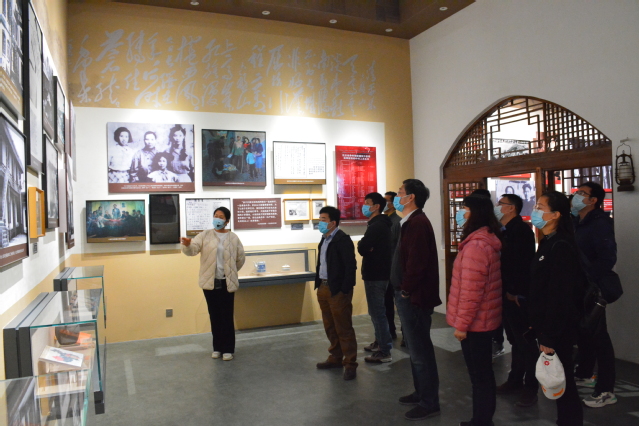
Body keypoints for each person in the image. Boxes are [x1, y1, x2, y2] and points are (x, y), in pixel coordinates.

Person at [528, 191, 585, 425]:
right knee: (561, 379)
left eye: (540, 207)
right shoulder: (548, 242)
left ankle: (570, 421)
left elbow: (559, 295)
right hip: (548, 324)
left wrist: (549, 334)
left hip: (558, 327)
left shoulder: (561, 245)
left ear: (555, 215)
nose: (535, 211)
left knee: (563, 379)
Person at [447, 195, 502, 426]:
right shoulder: (482, 239)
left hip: (476, 324)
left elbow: (471, 292)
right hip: (482, 320)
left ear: (475, 213)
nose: (461, 213)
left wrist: (462, 325)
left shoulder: (476, 246)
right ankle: (482, 419)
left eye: (465, 208)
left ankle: (482, 421)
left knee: (480, 377)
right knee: (482, 375)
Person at [390, 179, 441, 421]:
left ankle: (429, 402)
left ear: (411, 197)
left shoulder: (418, 223)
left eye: (400, 192)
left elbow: (417, 263)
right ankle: (421, 392)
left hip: (414, 298)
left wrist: (406, 290)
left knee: (421, 351)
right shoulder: (409, 222)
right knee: (415, 349)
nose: (397, 196)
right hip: (408, 295)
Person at [571, 181, 618, 408]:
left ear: (593, 200)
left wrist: (589, 281)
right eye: (577, 192)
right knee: (583, 332)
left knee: (599, 337)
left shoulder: (600, 223)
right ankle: (584, 372)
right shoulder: (575, 221)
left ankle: (606, 390)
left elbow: (607, 258)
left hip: (592, 289)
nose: (576, 196)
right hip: (577, 287)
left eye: (582, 193)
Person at [181, 207, 245, 361]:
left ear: (227, 221)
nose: (217, 219)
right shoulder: (205, 235)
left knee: (226, 316)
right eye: (216, 216)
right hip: (210, 283)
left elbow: (240, 258)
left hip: (227, 282)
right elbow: (193, 250)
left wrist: (230, 272)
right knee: (214, 316)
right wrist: (188, 245)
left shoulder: (233, 238)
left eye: (221, 217)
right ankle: (217, 348)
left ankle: (228, 349)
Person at [493, 193, 538, 407]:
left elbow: (521, 265)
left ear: (511, 208)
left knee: (525, 342)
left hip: (517, 295)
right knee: (515, 341)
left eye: (500, 204)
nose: (497, 207)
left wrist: (515, 292)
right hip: (505, 293)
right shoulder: (504, 230)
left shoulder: (521, 231)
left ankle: (531, 387)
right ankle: (515, 380)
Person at [314, 206, 358, 381]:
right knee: (330, 325)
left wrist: (344, 289)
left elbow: (350, 266)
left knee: (343, 327)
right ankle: (335, 357)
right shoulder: (324, 239)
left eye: (323, 219)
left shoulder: (342, 239)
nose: (320, 222)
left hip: (337, 290)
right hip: (323, 287)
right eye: (320, 219)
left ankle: (350, 363)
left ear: (333, 222)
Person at [357, 192, 393, 363]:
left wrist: (364, 246)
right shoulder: (378, 224)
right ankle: (379, 342)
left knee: (377, 312)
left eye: (367, 203)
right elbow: (366, 247)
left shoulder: (377, 226)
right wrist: (366, 246)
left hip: (376, 274)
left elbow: (362, 247)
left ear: (376, 206)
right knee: (376, 311)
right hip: (378, 273)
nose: (364, 206)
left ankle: (384, 350)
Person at [383, 191, 402, 341]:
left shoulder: (397, 222)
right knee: (386, 302)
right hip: (385, 269)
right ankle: (390, 330)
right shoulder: (384, 221)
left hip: (394, 268)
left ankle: (405, 335)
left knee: (399, 303)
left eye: (386, 201)